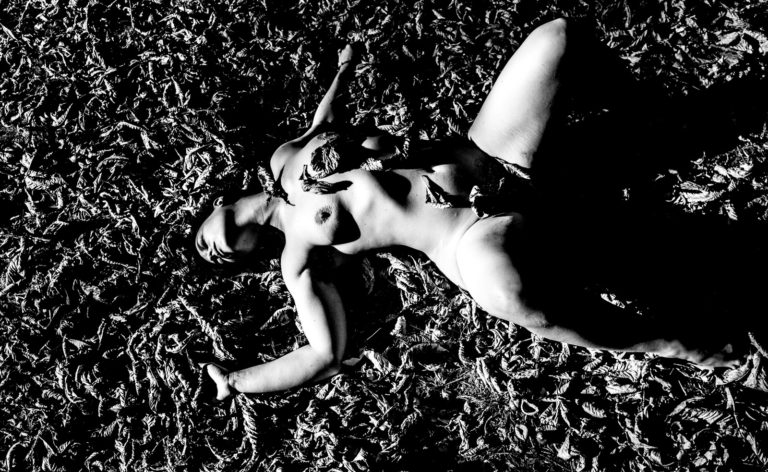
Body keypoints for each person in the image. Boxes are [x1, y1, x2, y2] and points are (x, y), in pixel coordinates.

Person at [195, 18, 713, 400]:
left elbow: (323, 122)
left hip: (487, 156)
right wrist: (237, 380)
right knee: (505, 294)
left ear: (218, 204)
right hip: (466, 232)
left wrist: (344, 69)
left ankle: (642, 105)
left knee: (557, 37)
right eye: (217, 261)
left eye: (201, 241)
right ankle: (671, 343)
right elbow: (324, 354)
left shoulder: (284, 160)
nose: (212, 254)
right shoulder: (298, 256)